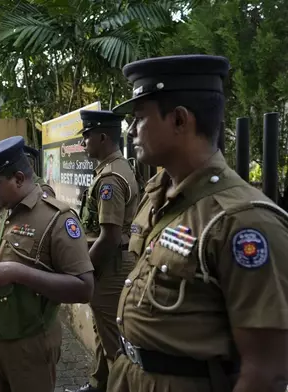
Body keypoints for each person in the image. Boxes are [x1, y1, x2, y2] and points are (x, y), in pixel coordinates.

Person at [107, 54, 288, 392]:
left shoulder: (242, 221)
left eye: (140, 118)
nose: (130, 130)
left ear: (179, 120)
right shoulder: (157, 195)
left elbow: (266, 370)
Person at [0, 136, 95, 392]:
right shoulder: (1, 210)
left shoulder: (56, 219)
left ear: (18, 178)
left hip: (28, 346)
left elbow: (83, 287)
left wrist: (20, 273)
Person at [74, 110, 139, 392]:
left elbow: (110, 236)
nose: (84, 142)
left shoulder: (110, 179)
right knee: (103, 329)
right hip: (110, 263)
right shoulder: (114, 168)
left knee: (115, 346)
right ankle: (98, 384)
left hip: (110, 266)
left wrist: (83, 270)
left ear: (102, 137)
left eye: (87, 136)